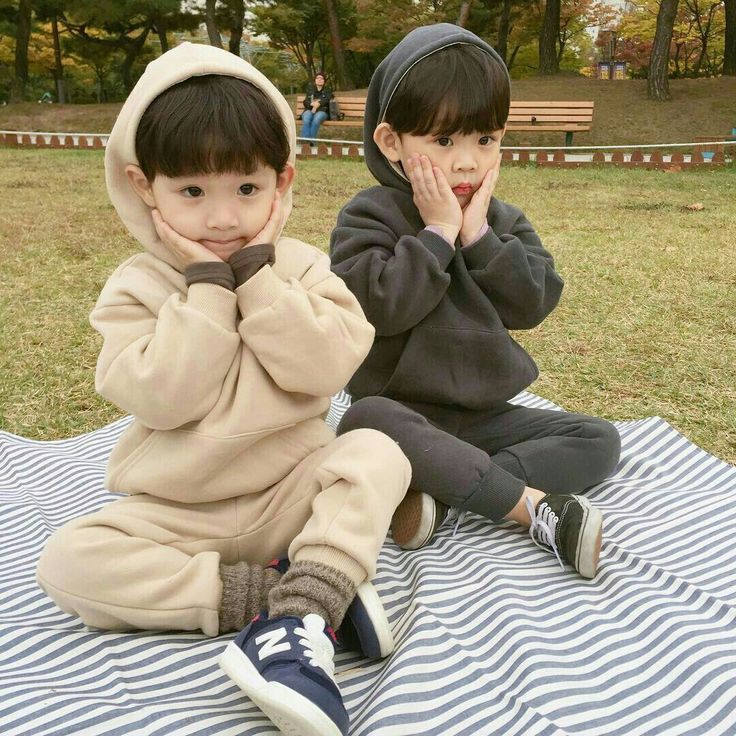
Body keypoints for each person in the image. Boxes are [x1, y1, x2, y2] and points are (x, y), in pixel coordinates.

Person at [35, 42, 411, 736]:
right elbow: (165, 398)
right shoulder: (136, 287)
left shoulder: (302, 267)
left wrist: (259, 279)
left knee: (377, 451)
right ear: (145, 185)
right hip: (180, 513)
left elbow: (326, 368)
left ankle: (306, 599)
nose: (221, 219)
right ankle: (292, 598)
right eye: (191, 192)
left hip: (289, 494)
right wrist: (208, 290)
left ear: (282, 179)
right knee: (68, 563)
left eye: (246, 188)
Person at [329, 24, 621, 579]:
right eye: (444, 142)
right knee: (361, 423)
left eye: (484, 140)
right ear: (392, 143)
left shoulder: (501, 221)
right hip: (404, 415)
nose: (466, 163)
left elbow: (533, 303)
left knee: (598, 438)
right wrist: (438, 233)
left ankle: (450, 488)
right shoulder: (368, 216)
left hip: (483, 419)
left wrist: (478, 236)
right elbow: (378, 310)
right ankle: (525, 506)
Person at [300, 71, 332, 140]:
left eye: (321, 78)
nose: (319, 79)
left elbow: (327, 99)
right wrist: (311, 104)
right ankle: (305, 140)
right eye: (318, 78)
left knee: (316, 119)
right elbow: (305, 101)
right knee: (306, 118)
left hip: (322, 111)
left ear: (324, 81)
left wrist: (319, 104)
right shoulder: (310, 90)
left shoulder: (327, 90)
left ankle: (310, 141)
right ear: (315, 80)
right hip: (309, 110)